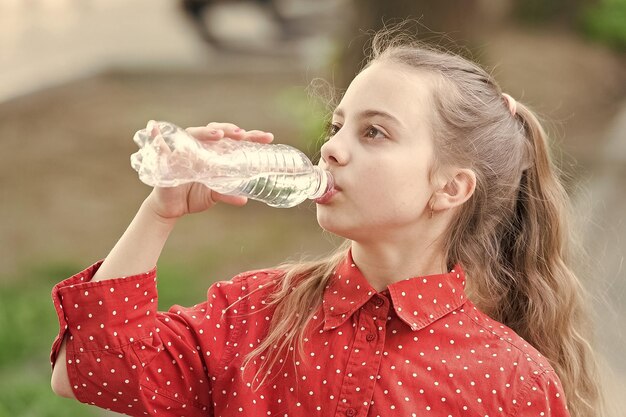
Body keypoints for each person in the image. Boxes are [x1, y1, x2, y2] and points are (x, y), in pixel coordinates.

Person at [50, 28, 603, 417]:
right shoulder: (256, 313)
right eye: (337, 127)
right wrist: (159, 212)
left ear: (450, 187)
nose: (333, 149)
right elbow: (85, 370)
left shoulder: (509, 379)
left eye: (374, 133)